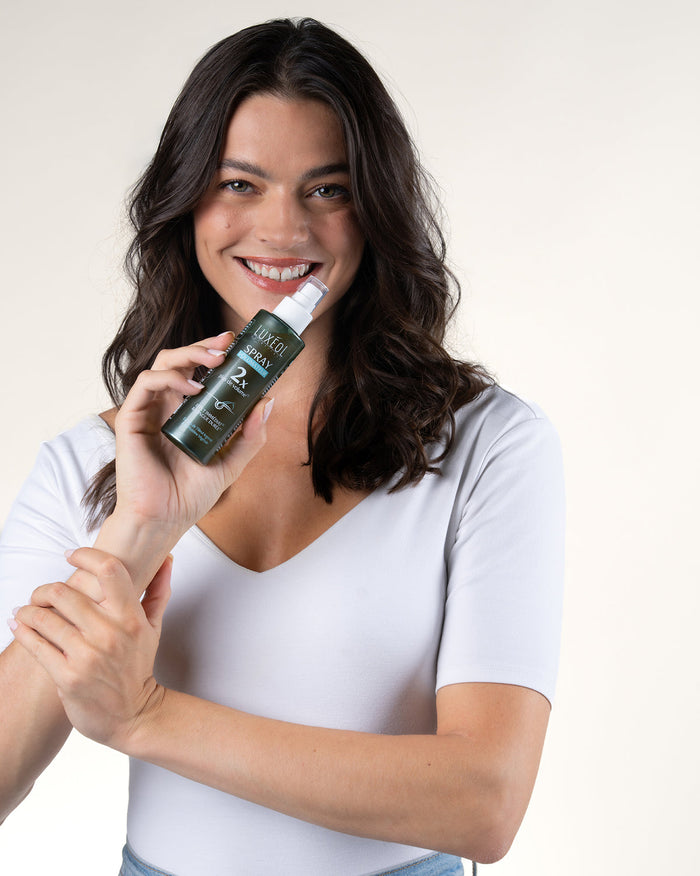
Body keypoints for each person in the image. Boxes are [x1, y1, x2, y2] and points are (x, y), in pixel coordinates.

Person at [0, 17, 565, 876]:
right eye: (240, 182)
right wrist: (140, 530)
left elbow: (484, 803)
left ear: (375, 210)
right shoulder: (89, 462)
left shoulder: (489, 445)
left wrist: (147, 716)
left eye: (327, 189)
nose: (282, 228)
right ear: (186, 198)